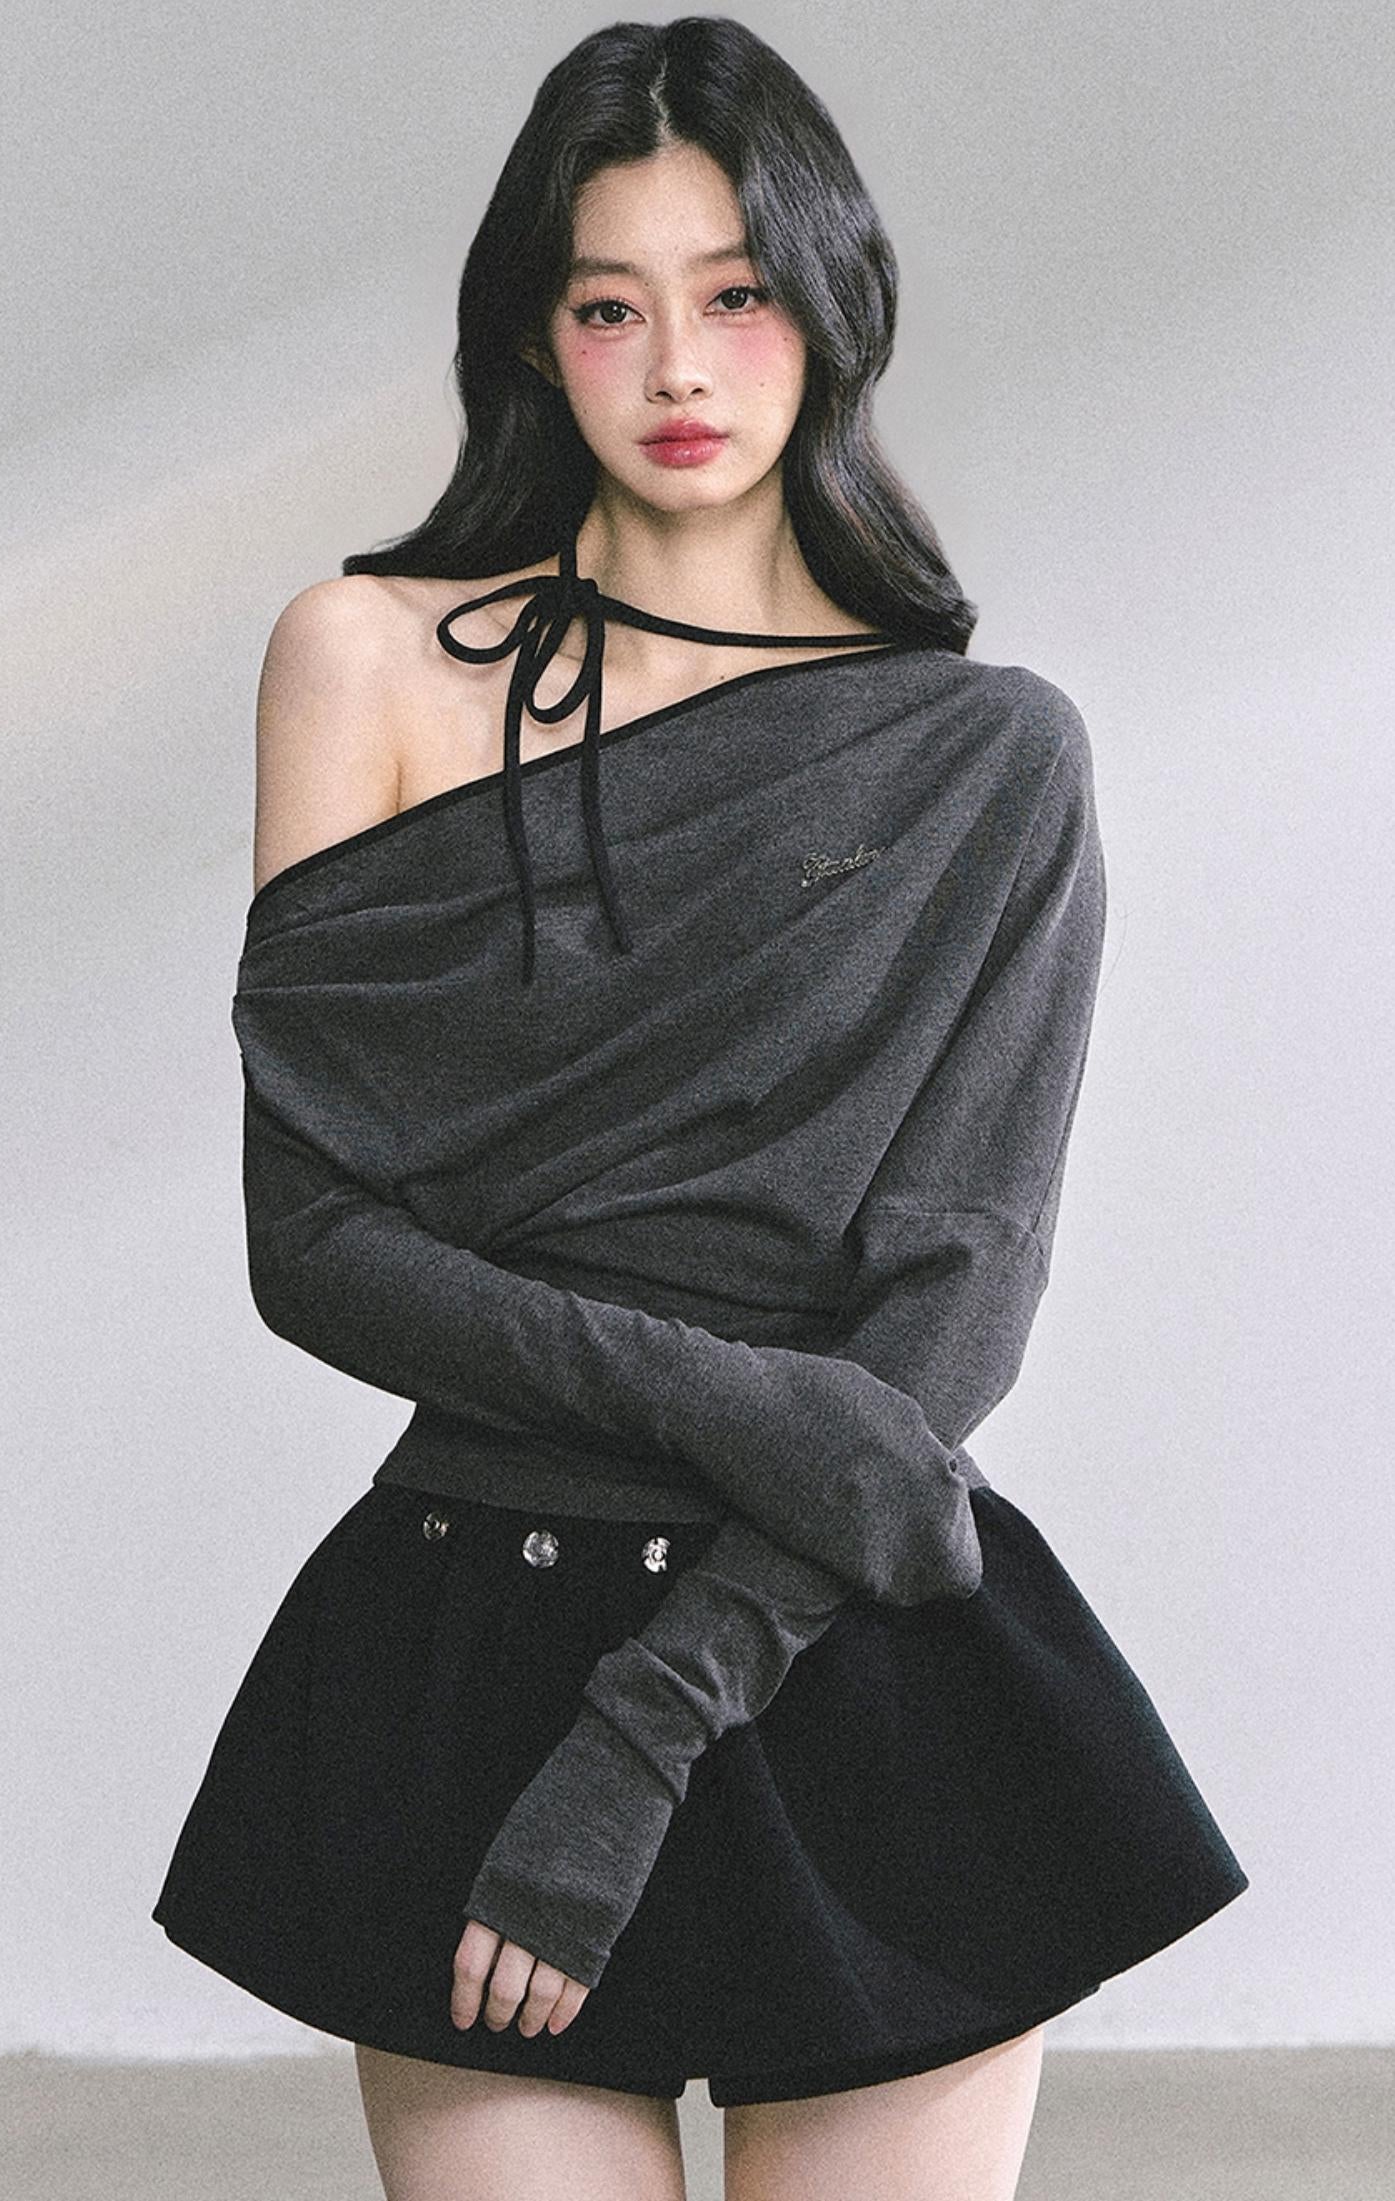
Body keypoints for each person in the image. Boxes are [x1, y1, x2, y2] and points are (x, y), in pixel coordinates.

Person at [152, 18, 1249, 2198]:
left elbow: (956, 1288)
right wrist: (745, 1406)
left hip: (831, 1636)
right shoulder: (367, 659)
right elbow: (315, 1244)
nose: (678, 362)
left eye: (736, 291)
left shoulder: (984, 756)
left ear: (828, 307)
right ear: (530, 337)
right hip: (469, 1631)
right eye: (607, 304)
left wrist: (643, 1733)